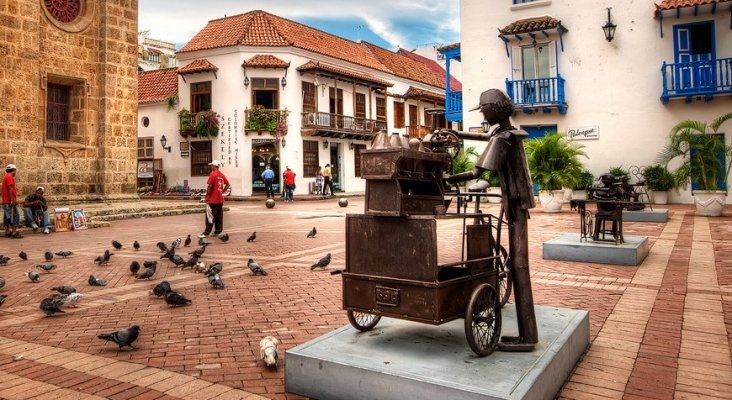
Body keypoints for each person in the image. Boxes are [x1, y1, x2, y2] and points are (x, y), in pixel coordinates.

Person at [444, 89, 537, 351]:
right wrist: (458, 135)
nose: (482, 112)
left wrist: (447, 179)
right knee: (519, 267)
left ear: (495, 108)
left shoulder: (504, 138)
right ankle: (526, 334)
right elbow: (485, 137)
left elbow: (476, 172)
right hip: (516, 201)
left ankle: (528, 336)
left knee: (520, 268)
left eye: (483, 108)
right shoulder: (504, 132)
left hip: (516, 204)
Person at [200, 160, 230, 238]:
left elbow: (209, 186)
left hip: (213, 200)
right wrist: (222, 191)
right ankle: (218, 231)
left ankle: (206, 232)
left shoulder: (213, 174)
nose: (211, 167)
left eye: (211, 165)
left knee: (210, 216)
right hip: (220, 199)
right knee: (218, 216)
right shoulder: (221, 175)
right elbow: (228, 184)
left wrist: (207, 196)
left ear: (214, 166)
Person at [2, 164, 22, 238]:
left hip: (6, 201)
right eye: (15, 170)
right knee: (16, 216)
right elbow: (10, 189)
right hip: (9, 201)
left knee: (6, 217)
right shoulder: (10, 177)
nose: (15, 172)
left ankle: (7, 232)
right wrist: (13, 200)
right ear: (14, 170)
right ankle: (14, 232)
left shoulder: (6, 177)